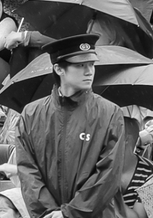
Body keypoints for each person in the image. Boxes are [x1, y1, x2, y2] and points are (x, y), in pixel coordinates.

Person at [17, 33, 128, 218]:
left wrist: (69, 214)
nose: (89, 71)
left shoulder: (110, 113)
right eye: (80, 65)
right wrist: (50, 213)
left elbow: (108, 174)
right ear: (59, 69)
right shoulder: (30, 114)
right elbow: (27, 171)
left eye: (91, 64)